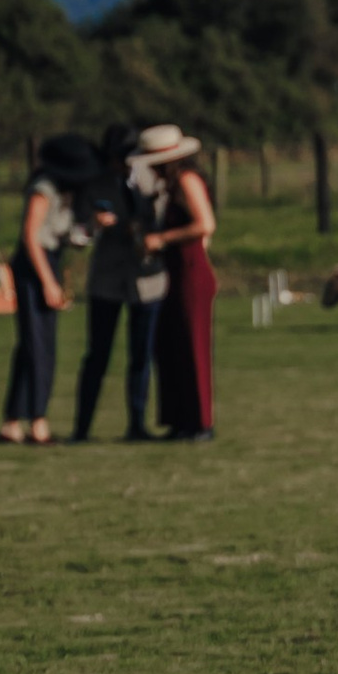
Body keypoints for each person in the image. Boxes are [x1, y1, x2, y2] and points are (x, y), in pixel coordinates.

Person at [70, 129, 160, 446]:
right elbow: (77, 234)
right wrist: (94, 226)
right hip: (107, 280)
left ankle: (137, 424)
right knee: (97, 355)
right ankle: (82, 427)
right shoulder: (95, 185)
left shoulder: (152, 181)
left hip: (145, 280)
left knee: (141, 355)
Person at [0, 132, 91, 446]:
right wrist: (48, 283)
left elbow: (62, 234)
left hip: (50, 261)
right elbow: (30, 237)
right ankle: (37, 420)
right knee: (37, 347)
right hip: (32, 266)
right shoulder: (43, 188)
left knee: (36, 346)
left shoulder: (67, 193)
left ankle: (12, 422)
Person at [141, 126, 218, 441]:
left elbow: (205, 224)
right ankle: (179, 419)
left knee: (193, 344)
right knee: (170, 345)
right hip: (173, 270)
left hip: (191, 270)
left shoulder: (187, 181)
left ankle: (201, 421)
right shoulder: (170, 188)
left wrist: (161, 238)